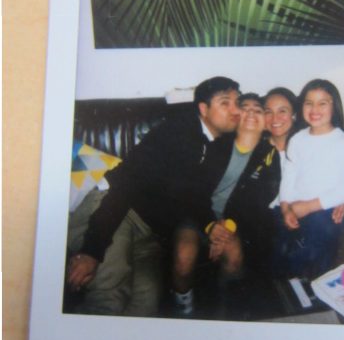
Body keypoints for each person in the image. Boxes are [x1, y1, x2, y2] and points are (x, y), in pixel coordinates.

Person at [66, 76, 241, 316]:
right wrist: (92, 250)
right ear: (203, 109)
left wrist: (210, 225)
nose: (236, 110)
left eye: (237, 102)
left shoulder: (218, 145)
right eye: (225, 102)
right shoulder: (174, 133)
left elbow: (195, 196)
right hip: (115, 212)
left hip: (148, 235)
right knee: (108, 301)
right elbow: (125, 185)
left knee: (145, 307)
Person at [172, 93, 279, 317]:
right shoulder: (215, 145)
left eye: (258, 109)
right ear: (236, 116)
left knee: (234, 254)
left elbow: (257, 201)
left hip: (233, 222)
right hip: (198, 215)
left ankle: (226, 310)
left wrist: (226, 229)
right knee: (183, 257)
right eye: (245, 108)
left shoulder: (269, 156)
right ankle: (184, 309)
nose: (251, 112)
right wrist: (210, 225)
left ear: (265, 122)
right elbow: (194, 193)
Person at [277, 79, 344, 280]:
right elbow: (288, 176)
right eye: (309, 103)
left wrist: (308, 207)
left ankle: (317, 281)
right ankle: (289, 284)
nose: (314, 109)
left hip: (327, 209)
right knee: (280, 245)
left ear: (334, 106)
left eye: (322, 103)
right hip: (295, 206)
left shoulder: (343, 142)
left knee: (318, 242)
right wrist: (285, 207)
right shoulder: (297, 139)